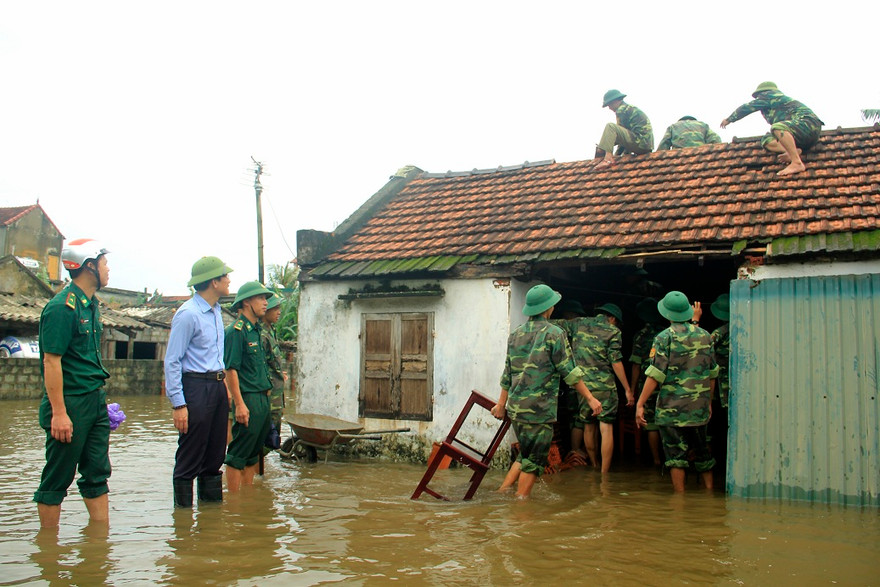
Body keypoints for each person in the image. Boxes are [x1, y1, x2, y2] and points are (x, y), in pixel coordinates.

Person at [490, 284, 602, 499]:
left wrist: (501, 404)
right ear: (548, 308)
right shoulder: (554, 333)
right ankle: (521, 505)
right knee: (535, 460)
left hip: (517, 408)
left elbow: (507, 373)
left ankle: (502, 491)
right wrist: (590, 398)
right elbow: (570, 372)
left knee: (526, 453)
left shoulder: (516, 334)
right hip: (538, 410)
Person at [34, 238, 112, 529]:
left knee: (97, 472)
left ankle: (100, 541)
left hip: (93, 399)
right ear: (89, 266)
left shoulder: (91, 305)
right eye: (104, 263)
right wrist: (59, 413)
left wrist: (100, 404)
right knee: (58, 476)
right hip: (70, 403)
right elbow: (51, 361)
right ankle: (48, 546)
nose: (108, 269)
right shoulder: (61, 308)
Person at [164, 256, 233, 508]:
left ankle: (211, 518)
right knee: (191, 452)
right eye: (225, 276)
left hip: (216, 386)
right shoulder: (188, 314)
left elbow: (215, 357)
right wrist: (179, 404)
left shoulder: (216, 312)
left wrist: (224, 387)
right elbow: (172, 360)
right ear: (214, 282)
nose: (229, 280)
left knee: (215, 454)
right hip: (195, 387)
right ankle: (183, 519)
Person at [636, 291, 719, 492]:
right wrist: (708, 402)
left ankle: (679, 500)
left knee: (676, 457)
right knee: (703, 454)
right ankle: (709, 494)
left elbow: (655, 374)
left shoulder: (664, 338)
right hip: (698, 408)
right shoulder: (706, 336)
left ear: (667, 314)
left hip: (671, 409)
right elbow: (712, 373)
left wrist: (640, 403)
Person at [568, 303, 632, 472]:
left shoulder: (578, 323)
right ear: (612, 319)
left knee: (588, 426)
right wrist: (627, 389)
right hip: (605, 387)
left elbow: (556, 324)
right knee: (606, 428)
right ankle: (604, 473)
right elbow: (616, 362)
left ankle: (594, 463)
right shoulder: (613, 331)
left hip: (583, 387)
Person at [224, 281, 274, 492]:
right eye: (260, 298)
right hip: (248, 398)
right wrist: (239, 404)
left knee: (253, 453)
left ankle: (247, 498)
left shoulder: (256, 330)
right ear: (246, 302)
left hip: (262, 397)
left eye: (265, 299)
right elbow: (231, 369)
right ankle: (234, 502)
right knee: (238, 454)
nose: (265, 303)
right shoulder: (236, 331)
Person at [721, 81, 824, 176]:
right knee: (767, 140)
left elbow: (747, 107)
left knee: (777, 127)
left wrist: (729, 119)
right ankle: (792, 151)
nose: (757, 99)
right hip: (804, 134)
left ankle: (796, 163)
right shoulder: (776, 100)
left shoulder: (769, 96)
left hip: (807, 124)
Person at [628, 297, 666, 469]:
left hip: (647, 384)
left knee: (651, 424)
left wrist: (632, 388)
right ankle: (668, 457)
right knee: (667, 420)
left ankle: (656, 459)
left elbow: (636, 365)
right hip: (665, 383)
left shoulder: (641, 336)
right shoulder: (666, 333)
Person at [592, 89, 654, 171]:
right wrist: (617, 156)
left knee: (610, 127)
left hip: (640, 142)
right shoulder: (628, 108)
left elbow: (618, 135)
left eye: (609, 104)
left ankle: (607, 159)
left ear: (615, 101)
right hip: (644, 144)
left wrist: (604, 149)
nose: (609, 108)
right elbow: (623, 137)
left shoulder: (622, 110)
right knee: (608, 138)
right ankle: (607, 155)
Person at [707, 293, 731, 484]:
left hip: (719, 387)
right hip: (735, 385)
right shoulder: (746, 328)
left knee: (717, 426)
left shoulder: (718, 333)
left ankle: (718, 462)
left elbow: (701, 349)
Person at [261, 294, 289, 449]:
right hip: (269, 395)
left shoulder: (271, 331)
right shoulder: (262, 334)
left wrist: (279, 373)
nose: (279, 312)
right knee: (266, 438)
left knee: (273, 436)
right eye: (275, 309)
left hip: (276, 394)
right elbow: (259, 365)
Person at [656, 116, 721, 150]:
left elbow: (664, 144)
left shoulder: (673, 127)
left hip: (678, 157)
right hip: (700, 155)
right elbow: (715, 139)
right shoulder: (702, 125)